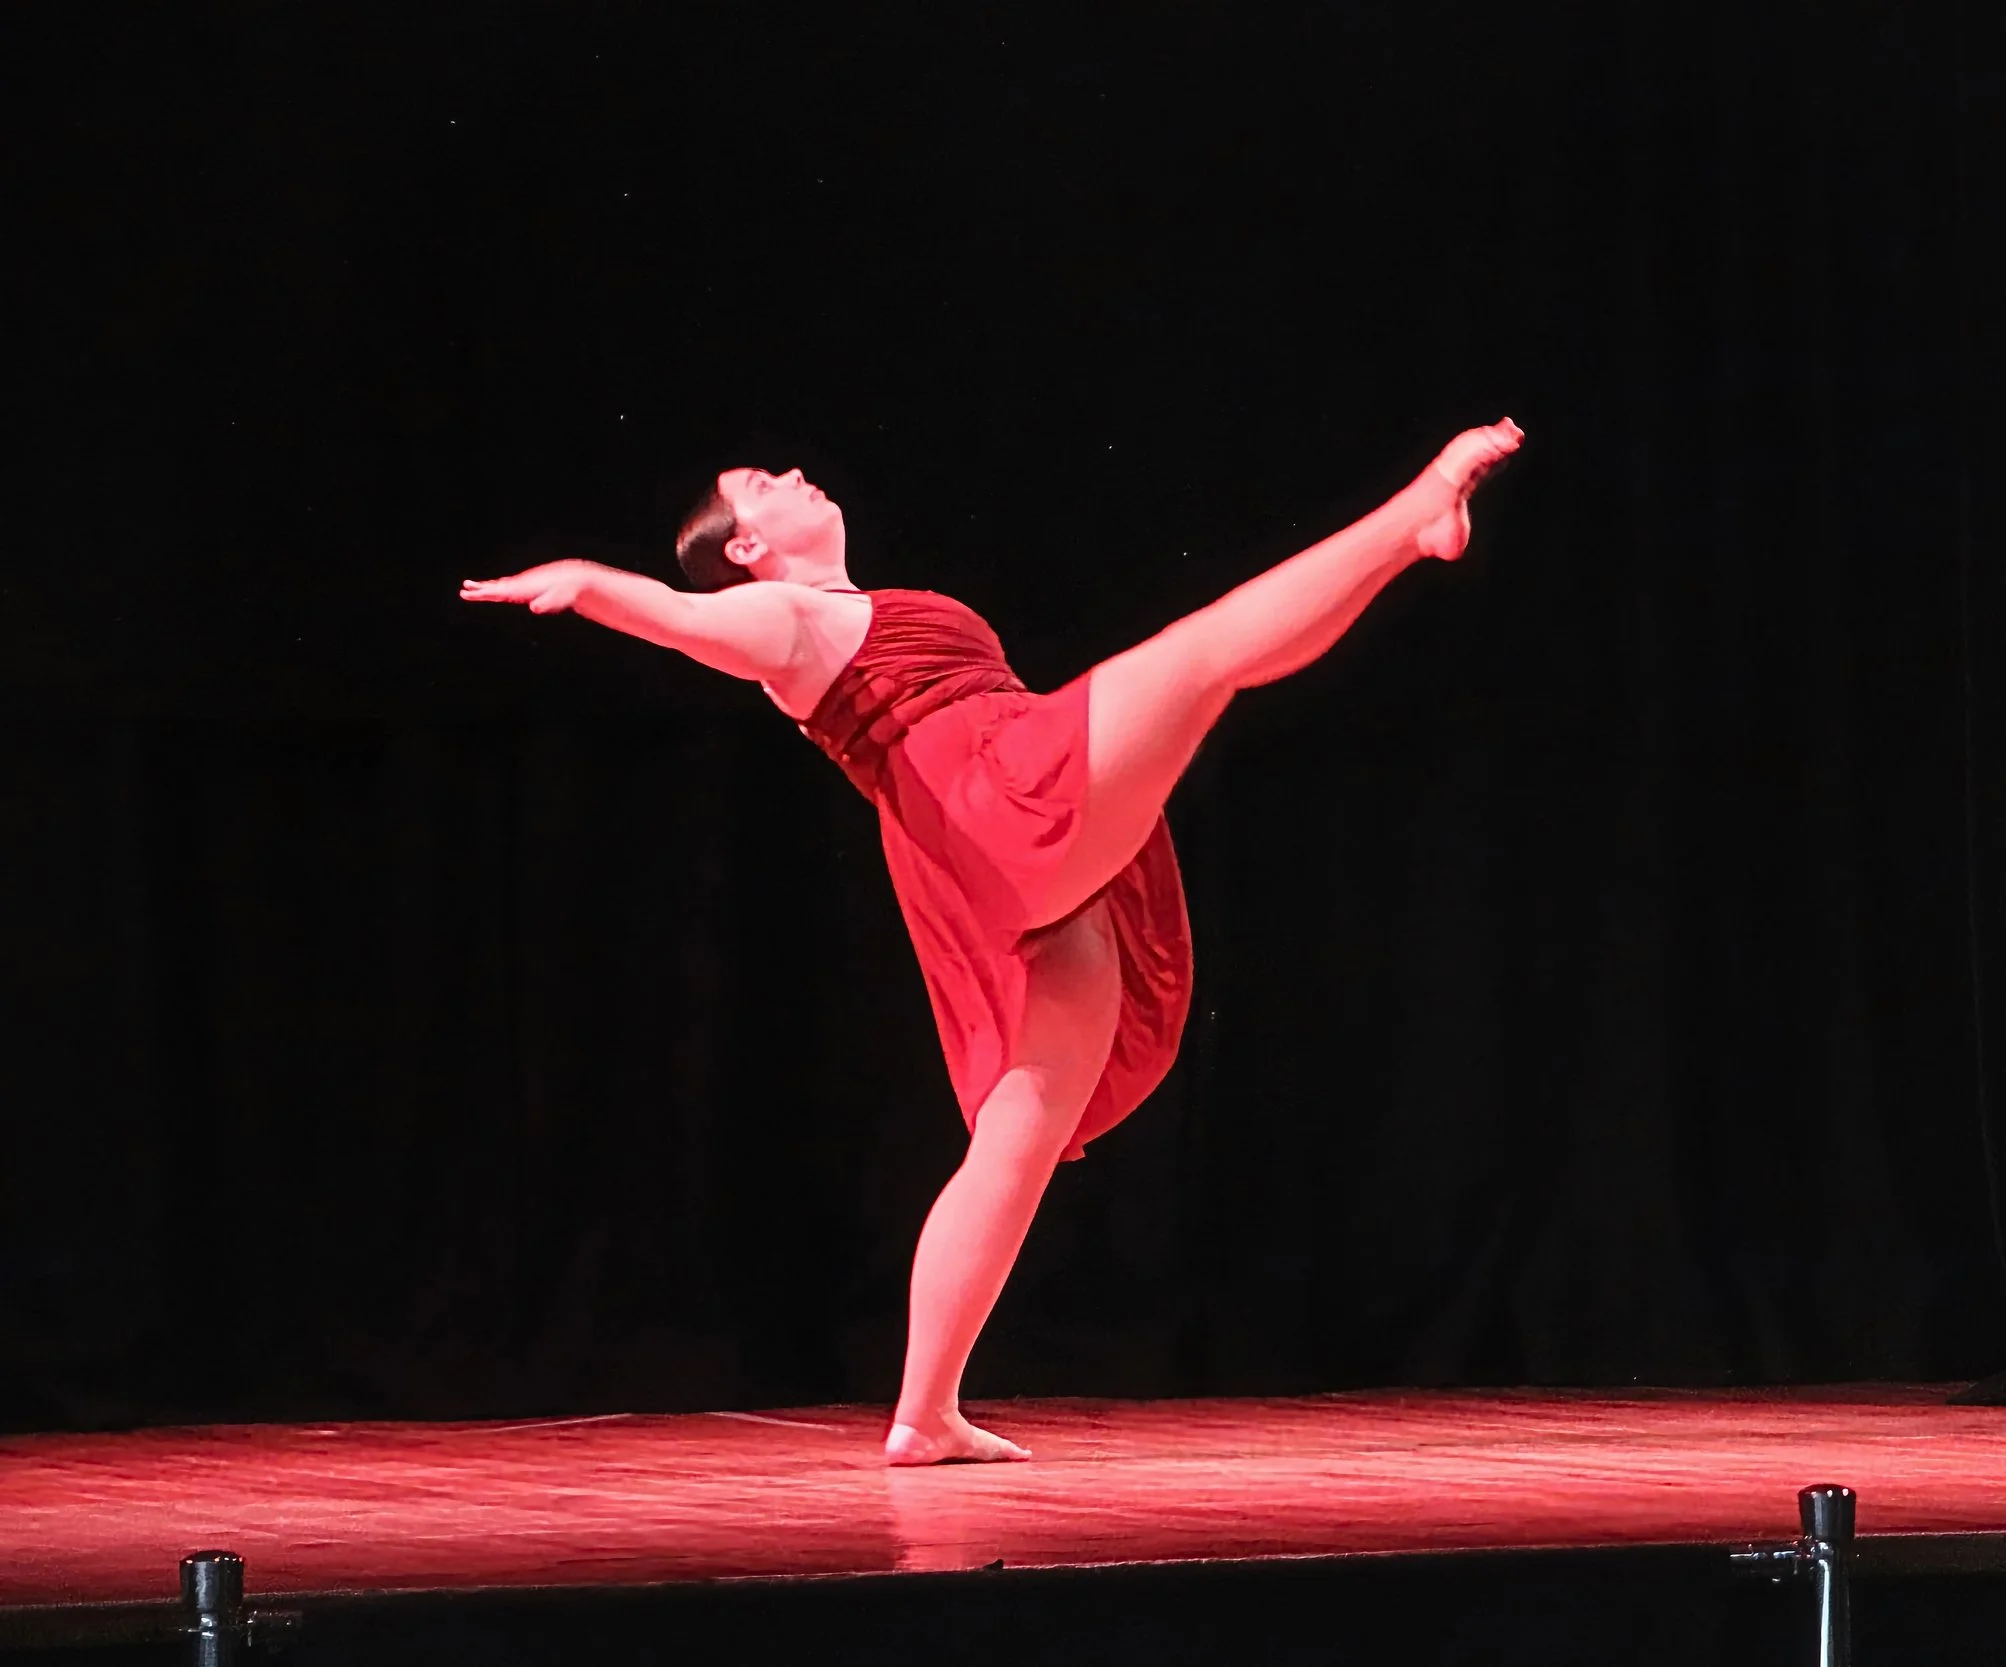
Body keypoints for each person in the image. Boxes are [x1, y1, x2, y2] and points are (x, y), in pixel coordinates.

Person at [461, 418, 1525, 1462]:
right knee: (1200, 656)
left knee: (1018, 1134)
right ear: (746, 545)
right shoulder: (782, 613)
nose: (795, 471)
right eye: (764, 480)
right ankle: (1411, 517)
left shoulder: (841, 608)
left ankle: (923, 1412)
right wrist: (595, 584)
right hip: (999, 791)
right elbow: (697, 625)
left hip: (981, 813)